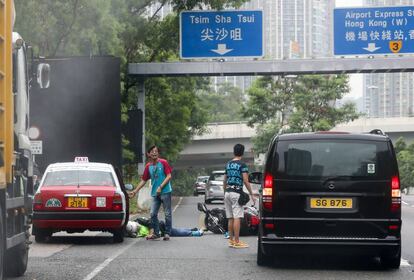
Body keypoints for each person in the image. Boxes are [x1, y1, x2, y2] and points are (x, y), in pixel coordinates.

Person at [129, 145, 173, 241]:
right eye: (152, 151)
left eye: (156, 151)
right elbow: (143, 180)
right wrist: (135, 191)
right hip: (155, 193)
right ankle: (156, 233)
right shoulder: (148, 166)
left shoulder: (163, 162)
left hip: (165, 191)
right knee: (153, 213)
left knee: (167, 213)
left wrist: (161, 187)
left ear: (158, 153)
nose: (154, 153)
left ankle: (167, 233)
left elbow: (169, 176)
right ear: (149, 154)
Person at [223, 143, 255, 249]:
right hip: (236, 192)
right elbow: (245, 181)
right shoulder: (242, 165)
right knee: (237, 217)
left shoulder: (228, 164)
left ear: (234, 152)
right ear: (242, 153)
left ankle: (231, 241)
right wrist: (251, 194)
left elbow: (224, 180)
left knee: (230, 218)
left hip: (227, 192)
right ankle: (237, 241)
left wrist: (225, 193)